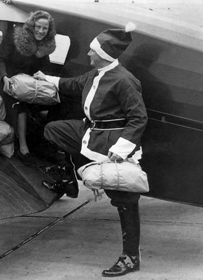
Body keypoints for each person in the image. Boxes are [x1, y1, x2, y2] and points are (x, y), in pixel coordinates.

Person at [34, 23, 148, 277]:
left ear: (104, 54)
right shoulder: (95, 73)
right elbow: (72, 84)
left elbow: (138, 119)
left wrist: (122, 148)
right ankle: (72, 176)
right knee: (54, 129)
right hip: (91, 134)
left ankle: (131, 257)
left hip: (114, 143)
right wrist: (47, 79)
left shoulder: (125, 81)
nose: (88, 54)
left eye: (92, 51)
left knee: (124, 199)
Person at [0, 10, 56, 166]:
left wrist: (43, 77)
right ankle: (22, 148)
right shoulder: (15, 36)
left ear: (49, 30)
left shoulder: (45, 45)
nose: (40, 31)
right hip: (3, 74)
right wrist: (4, 77)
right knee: (18, 104)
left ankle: (23, 143)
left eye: (44, 28)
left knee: (27, 101)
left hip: (23, 80)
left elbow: (46, 68)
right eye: (38, 27)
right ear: (32, 26)